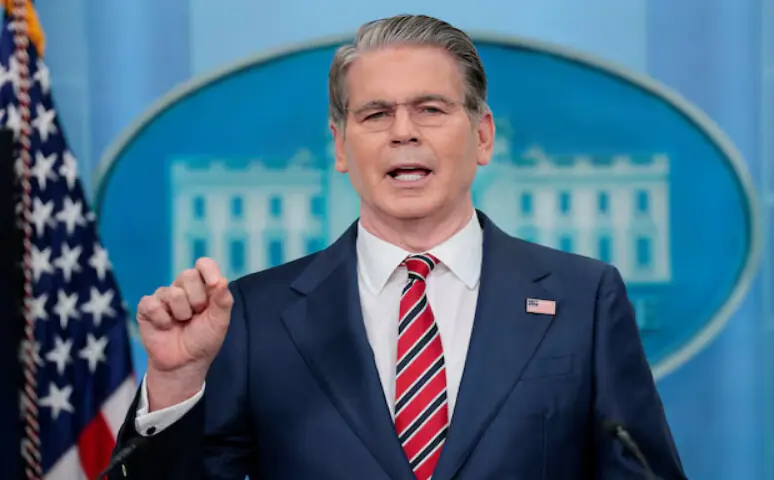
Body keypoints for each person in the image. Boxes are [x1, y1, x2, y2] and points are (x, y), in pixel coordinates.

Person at [110, 14, 686, 479]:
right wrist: (176, 385)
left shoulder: (583, 300)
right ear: (339, 147)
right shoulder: (256, 315)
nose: (402, 132)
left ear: (482, 135)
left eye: (430, 110)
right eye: (375, 114)